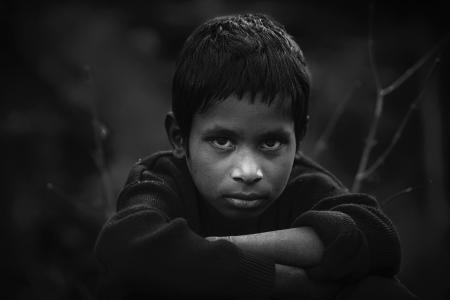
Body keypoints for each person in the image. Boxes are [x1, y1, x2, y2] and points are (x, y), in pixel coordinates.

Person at [94, 13, 418, 300]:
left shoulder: (304, 184)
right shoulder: (162, 180)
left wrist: (213, 247)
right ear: (179, 137)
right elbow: (125, 245)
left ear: (298, 138)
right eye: (222, 141)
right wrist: (285, 282)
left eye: (271, 143)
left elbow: (377, 238)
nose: (248, 171)